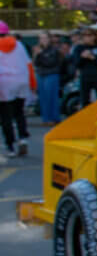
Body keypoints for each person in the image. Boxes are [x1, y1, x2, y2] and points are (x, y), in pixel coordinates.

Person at [0, 21, 34, 159]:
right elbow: (28, 64)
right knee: (19, 112)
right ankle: (23, 138)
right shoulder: (19, 45)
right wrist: (32, 84)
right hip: (21, 80)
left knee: (5, 116)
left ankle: (11, 146)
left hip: (4, 83)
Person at [32, 32, 65, 126]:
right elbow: (35, 63)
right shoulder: (37, 49)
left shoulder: (54, 50)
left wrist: (40, 54)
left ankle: (54, 118)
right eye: (41, 38)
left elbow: (51, 62)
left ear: (49, 39)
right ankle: (45, 118)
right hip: (41, 75)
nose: (43, 40)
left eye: (45, 38)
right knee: (43, 98)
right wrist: (36, 55)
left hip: (51, 74)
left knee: (52, 97)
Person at [70, 28, 97, 107]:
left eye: (89, 35)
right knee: (84, 100)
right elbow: (76, 63)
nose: (87, 37)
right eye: (84, 35)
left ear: (94, 36)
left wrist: (92, 57)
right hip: (85, 77)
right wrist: (82, 57)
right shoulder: (79, 48)